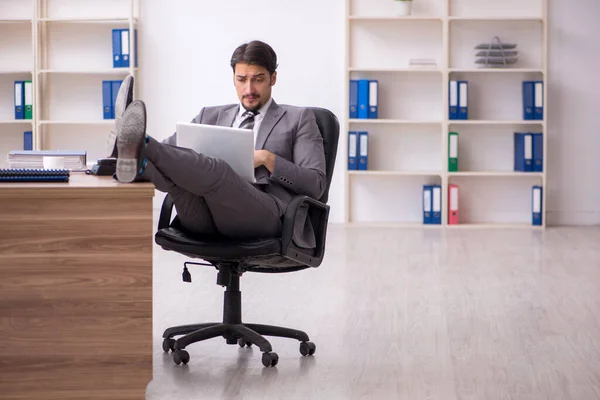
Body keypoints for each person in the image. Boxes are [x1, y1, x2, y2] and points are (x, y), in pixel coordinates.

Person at [106, 40, 326, 249]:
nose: (249, 89)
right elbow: (171, 154)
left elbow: (315, 184)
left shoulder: (298, 118)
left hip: (266, 217)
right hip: (204, 217)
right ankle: (137, 160)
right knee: (177, 180)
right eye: (241, 79)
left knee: (219, 169)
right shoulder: (209, 115)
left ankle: (141, 143)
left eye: (258, 79)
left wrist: (267, 159)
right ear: (233, 78)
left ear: (273, 78)